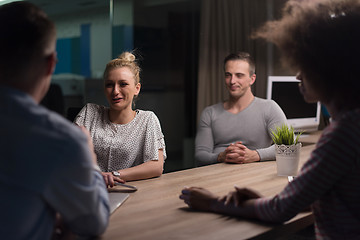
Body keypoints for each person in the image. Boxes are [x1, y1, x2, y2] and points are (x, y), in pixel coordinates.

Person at [180, 0, 360, 239]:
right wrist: (268, 200)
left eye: (304, 66)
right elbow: (315, 197)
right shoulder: (352, 124)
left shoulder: (340, 136)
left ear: (327, 70)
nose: (297, 75)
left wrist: (212, 202)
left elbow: (279, 211)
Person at [0, 2, 110, 239]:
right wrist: (90, 160)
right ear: (51, 63)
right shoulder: (61, 140)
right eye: (110, 84)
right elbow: (93, 223)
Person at [74, 52, 166, 186]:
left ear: (137, 89)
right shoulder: (89, 113)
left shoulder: (147, 120)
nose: (115, 91)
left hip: (128, 190)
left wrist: (113, 175)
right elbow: (68, 154)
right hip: (88, 189)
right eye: (109, 85)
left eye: (123, 84)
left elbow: (156, 166)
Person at [195, 52, 287, 166]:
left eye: (239, 75)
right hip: (217, 176)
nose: (232, 81)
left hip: (254, 176)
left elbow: (288, 146)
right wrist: (221, 156)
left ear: (252, 79)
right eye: (228, 75)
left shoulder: (269, 108)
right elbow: (200, 155)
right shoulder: (209, 113)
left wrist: (255, 155)